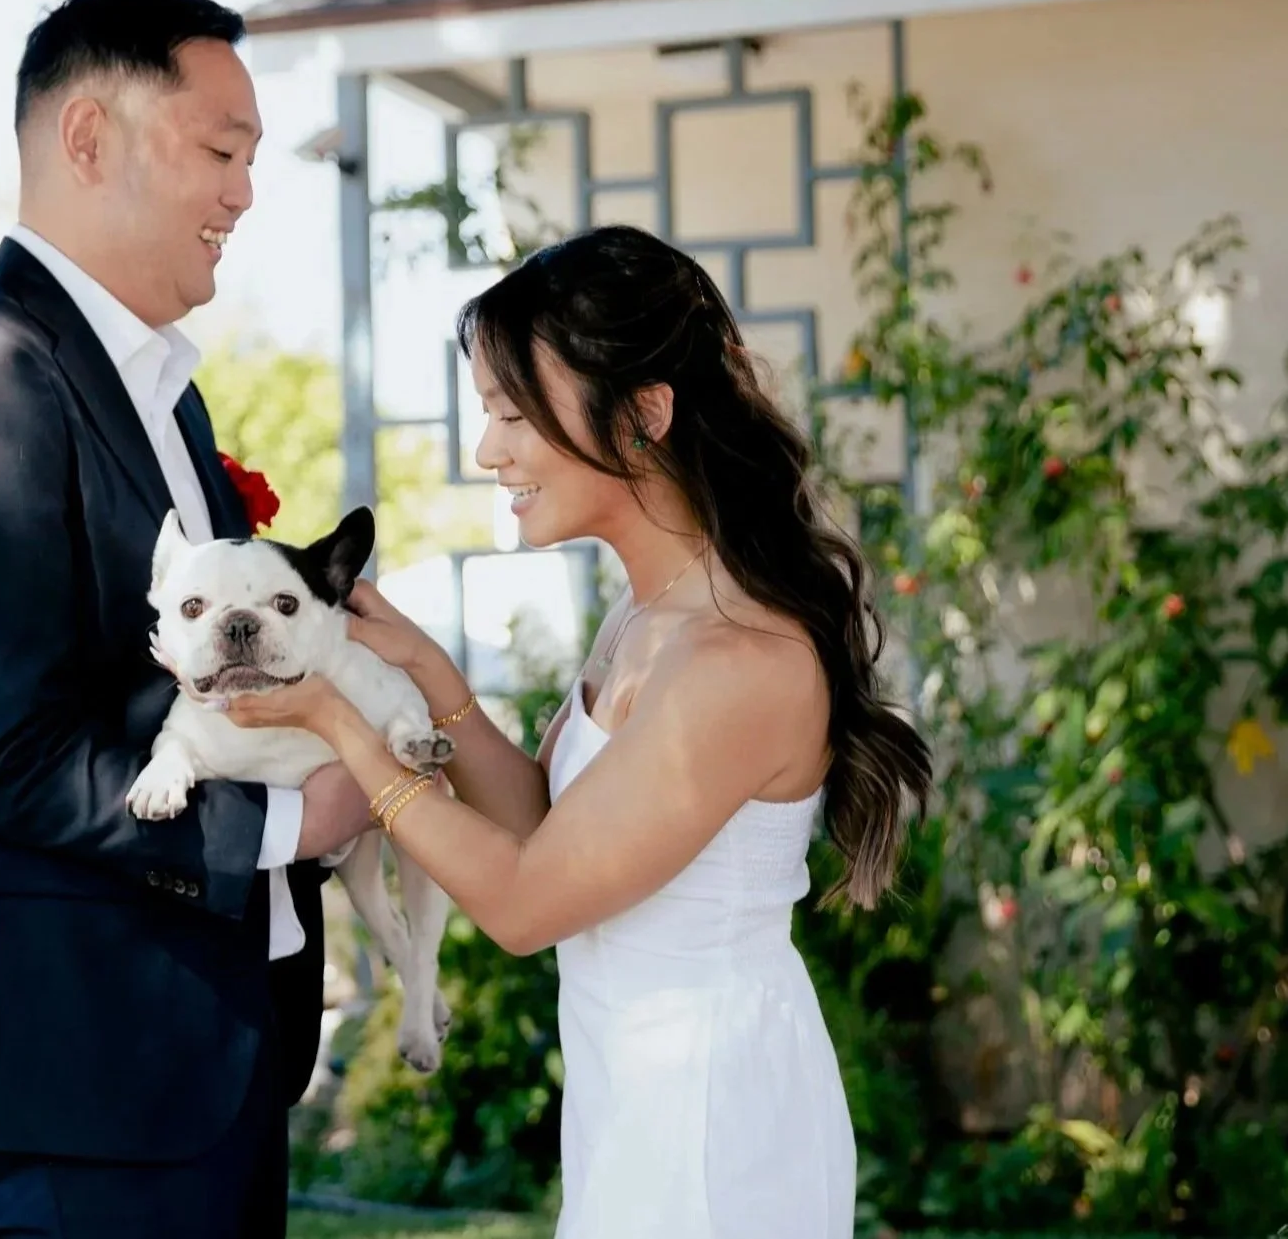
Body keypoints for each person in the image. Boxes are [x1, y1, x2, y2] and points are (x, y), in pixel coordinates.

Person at [222, 224, 933, 1238]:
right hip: (634, 1084)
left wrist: (337, 717)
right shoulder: (645, 619)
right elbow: (544, 830)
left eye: (512, 411)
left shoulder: (737, 661)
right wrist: (425, 669)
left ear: (643, 413)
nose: (486, 449)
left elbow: (520, 903)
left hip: (708, 1116)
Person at [0, 0, 374, 1238]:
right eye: (221, 151)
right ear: (88, 138)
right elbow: (3, 756)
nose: (244, 192)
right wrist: (302, 811)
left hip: (199, 1053)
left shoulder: (159, 395)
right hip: (84, 1065)